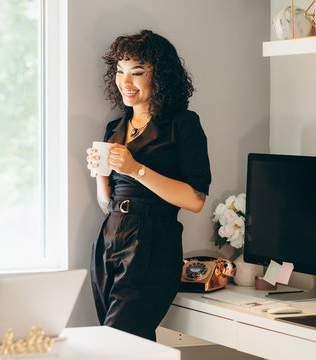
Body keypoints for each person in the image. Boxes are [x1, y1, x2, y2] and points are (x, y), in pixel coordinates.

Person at [86, 29, 211, 341]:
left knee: (117, 343)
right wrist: (100, 172)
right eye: (120, 71)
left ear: (161, 75)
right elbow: (107, 202)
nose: (125, 82)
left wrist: (136, 169)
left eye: (137, 73)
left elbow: (196, 199)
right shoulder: (115, 127)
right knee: (130, 345)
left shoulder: (183, 123)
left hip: (153, 241)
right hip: (110, 239)